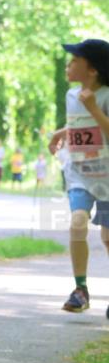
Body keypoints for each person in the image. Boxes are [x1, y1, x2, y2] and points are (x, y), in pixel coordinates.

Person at [46, 38, 109, 315]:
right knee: (77, 222)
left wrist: (95, 108)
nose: (68, 66)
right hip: (80, 173)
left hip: (107, 176)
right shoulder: (72, 95)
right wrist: (63, 132)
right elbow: (79, 124)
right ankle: (80, 289)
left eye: (74, 61)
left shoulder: (106, 96)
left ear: (92, 70)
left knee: (108, 237)